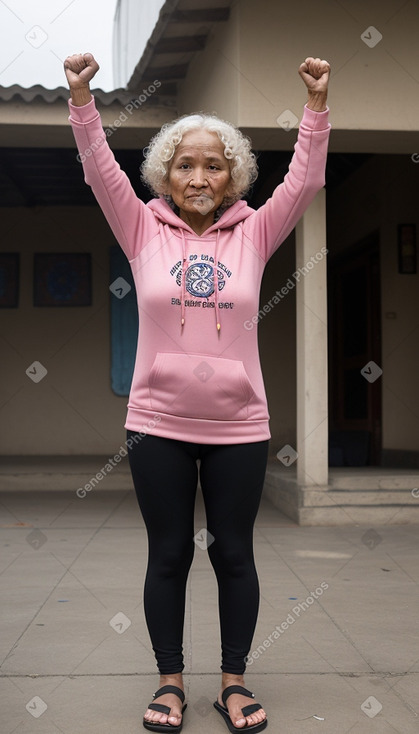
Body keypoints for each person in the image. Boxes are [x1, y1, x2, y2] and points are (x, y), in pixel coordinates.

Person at [64, 52, 331, 733]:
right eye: (185, 163)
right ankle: (170, 682)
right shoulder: (140, 227)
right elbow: (98, 170)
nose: (200, 175)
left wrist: (316, 110)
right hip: (156, 420)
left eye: (215, 164)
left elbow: (304, 181)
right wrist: (82, 100)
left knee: (234, 553)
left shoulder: (256, 232)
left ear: (234, 175)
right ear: (165, 174)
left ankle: (234, 684)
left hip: (238, 425)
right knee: (169, 553)